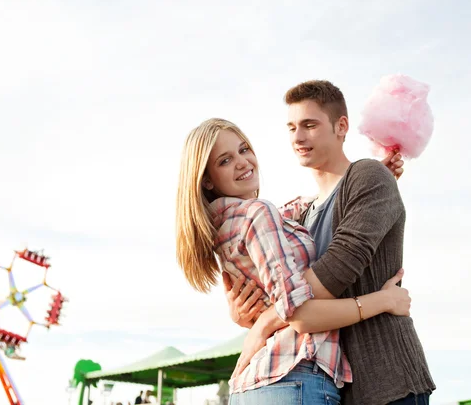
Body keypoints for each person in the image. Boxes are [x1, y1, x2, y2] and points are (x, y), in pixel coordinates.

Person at [224, 80, 436, 404]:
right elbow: (283, 293)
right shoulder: (302, 215)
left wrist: (266, 321)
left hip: (388, 379)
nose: (297, 137)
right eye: (292, 127)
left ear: (341, 126)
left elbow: (333, 274)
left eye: (310, 125)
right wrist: (245, 313)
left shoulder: (368, 177)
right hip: (335, 387)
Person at [175, 118, 412, 405]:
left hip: (260, 384)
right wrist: (384, 301)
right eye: (225, 160)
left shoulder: (224, 224)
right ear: (207, 179)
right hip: (295, 377)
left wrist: (364, 183)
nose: (242, 162)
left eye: (244, 149)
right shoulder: (257, 215)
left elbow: (297, 209)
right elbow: (300, 315)